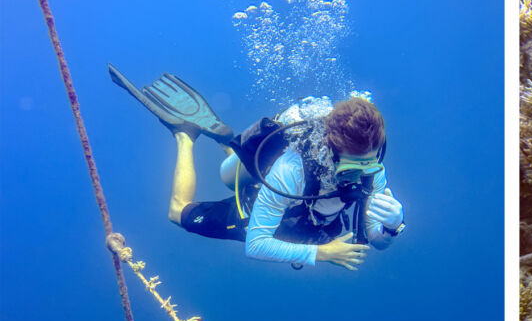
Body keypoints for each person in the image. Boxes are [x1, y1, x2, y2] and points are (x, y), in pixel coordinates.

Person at [108, 64, 405, 270]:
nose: (363, 177)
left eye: (370, 165)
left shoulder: (370, 165)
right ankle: (185, 135)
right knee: (178, 211)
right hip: (266, 207)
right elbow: (256, 244)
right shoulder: (292, 170)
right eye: (353, 169)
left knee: (234, 172)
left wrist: (392, 227)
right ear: (332, 151)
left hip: (308, 220)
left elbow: (375, 240)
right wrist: (324, 253)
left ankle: (233, 147)